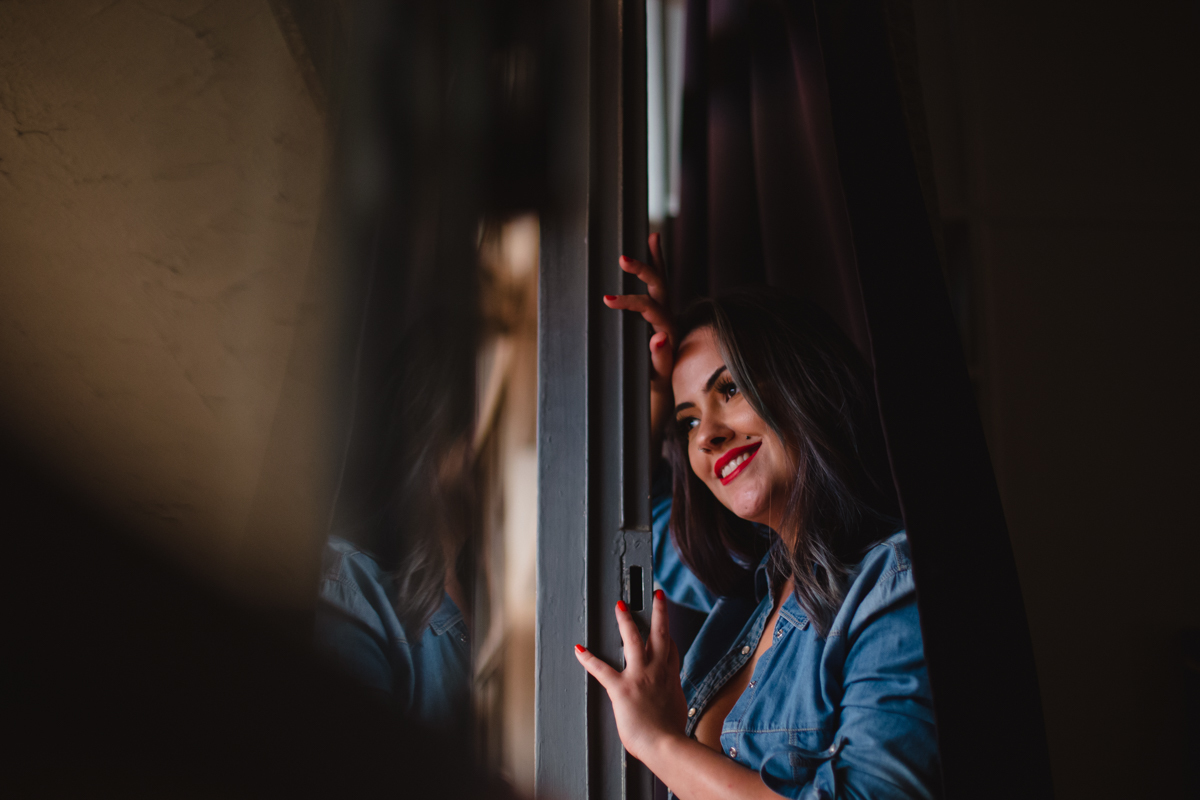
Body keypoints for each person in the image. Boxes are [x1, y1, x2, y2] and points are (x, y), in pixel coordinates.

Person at [577, 235, 941, 799]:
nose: (711, 435)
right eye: (688, 421)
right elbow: (625, 534)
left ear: (806, 385)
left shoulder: (893, 584)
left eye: (730, 389)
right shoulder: (753, 584)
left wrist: (660, 743)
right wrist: (649, 386)